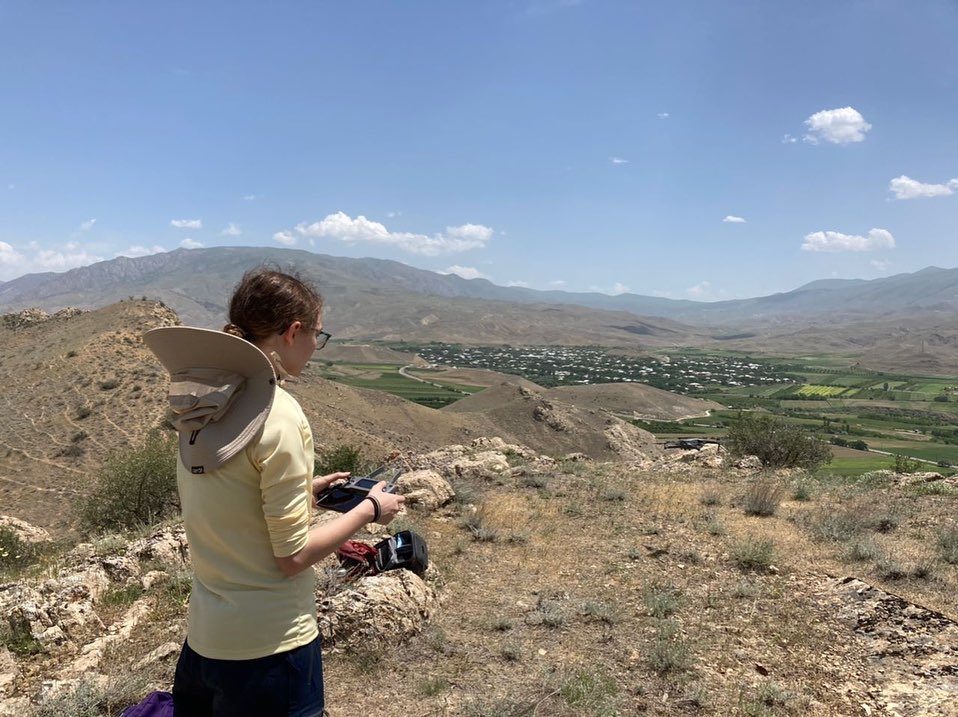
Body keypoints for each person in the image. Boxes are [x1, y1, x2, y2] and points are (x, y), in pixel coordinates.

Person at [144, 268, 404, 717]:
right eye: (317, 336)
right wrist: (370, 509)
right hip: (269, 649)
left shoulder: (204, 405)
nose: (315, 349)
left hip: (205, 643)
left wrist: (307, 490)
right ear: (293, 332)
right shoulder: (280, 415)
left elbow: (230, 498)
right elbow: (293, 557)